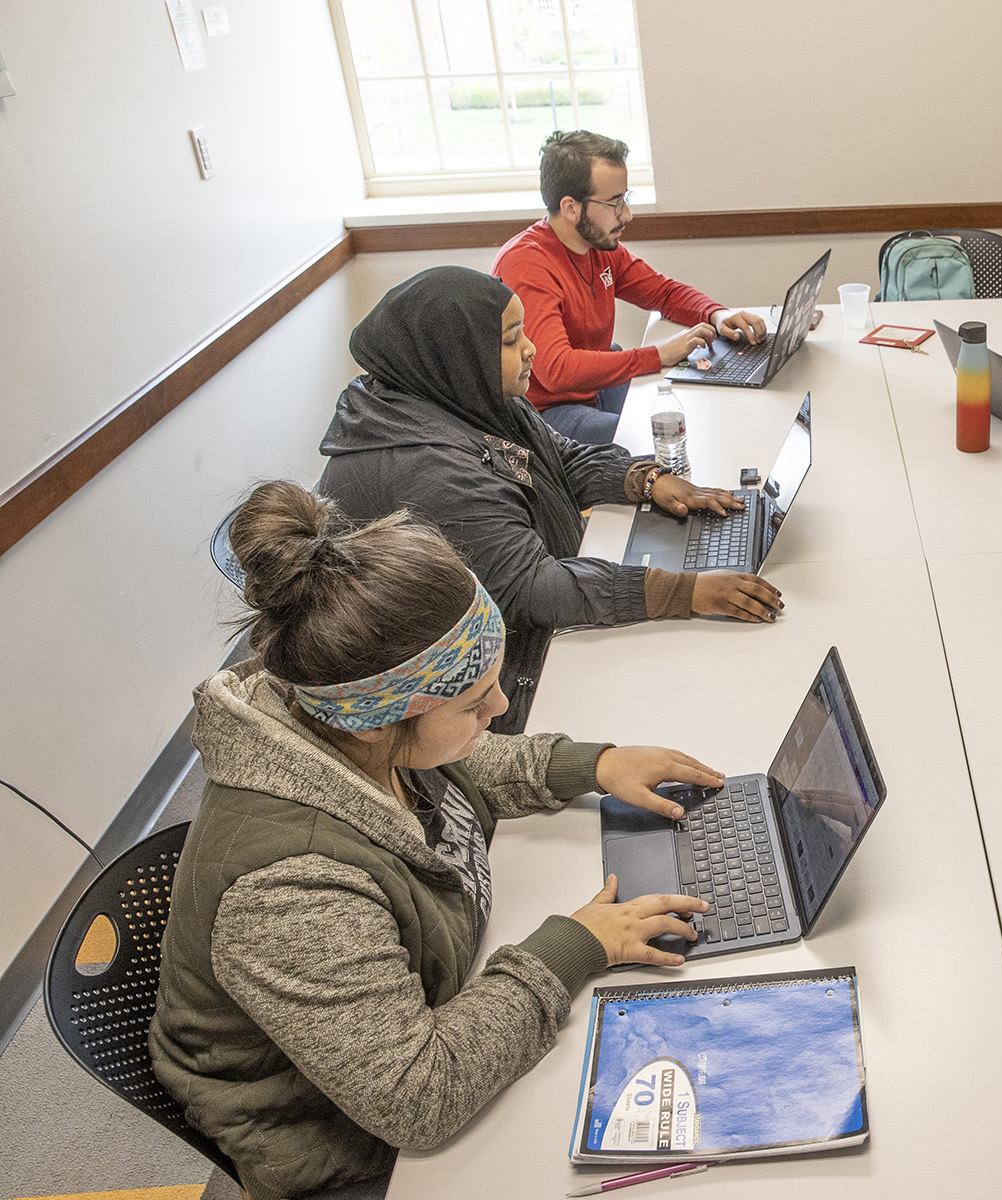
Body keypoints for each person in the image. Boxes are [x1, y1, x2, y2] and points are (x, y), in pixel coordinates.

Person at [150, 481, 717, 1200]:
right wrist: (578, 945)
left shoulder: (341, 720)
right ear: (376, 722)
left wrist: (589, 765)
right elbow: (419, 1097)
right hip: (352, 1147)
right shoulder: (287, 894)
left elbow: (456, 756)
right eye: (476, 700)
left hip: (440, 998)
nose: (502, 707)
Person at [318, 265, 783, 736]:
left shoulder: (461, 395)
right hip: (462, 699)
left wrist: (643, 479)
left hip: (512, 627)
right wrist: (688, 591)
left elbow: (556, 457)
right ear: (457, 355)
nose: (530, 348)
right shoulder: (425, 468)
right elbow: (533, 590)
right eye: (510, 339)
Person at [493, 130, 767, 444]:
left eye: (625, 198)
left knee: (688, 406)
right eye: (614, 203)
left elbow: (663, 292)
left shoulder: (596, 245)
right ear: (570, 207)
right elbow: (557, 369)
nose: (627, 214)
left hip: (590, 394)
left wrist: (716, 314)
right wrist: (659, 354)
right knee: (656, 438)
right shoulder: (527, 265)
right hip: (547, 413)